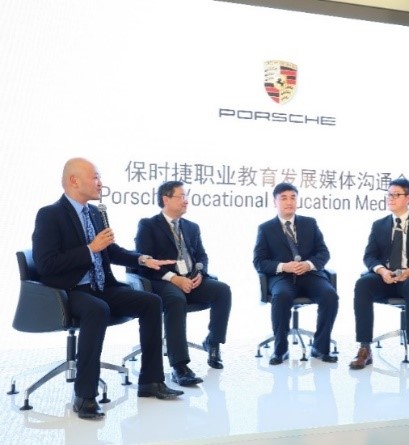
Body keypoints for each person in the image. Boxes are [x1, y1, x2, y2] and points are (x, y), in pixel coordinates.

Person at [31, 158, 183, 420]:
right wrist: (90, 249)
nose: (100, 183)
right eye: (95, 177)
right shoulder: (50, 214)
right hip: (70, 291)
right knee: (97, 309)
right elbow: (46, 264)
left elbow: (110, 251)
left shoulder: (94, 213)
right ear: (74, 181)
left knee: (151, 302)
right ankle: (85, 395)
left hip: (102, 286)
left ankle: (151, 381)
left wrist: (142, 259)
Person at [134, 180, 232, 386]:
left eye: (187, 196)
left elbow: (202, 256)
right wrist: (174, 278)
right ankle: (180, 366)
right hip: (162, 281)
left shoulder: (191, 227)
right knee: (176, 299)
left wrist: (200, 273)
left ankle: (213, 342)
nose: (186, 201)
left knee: (222, 291)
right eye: (182, 196)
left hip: (190, 279)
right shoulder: (148, 225)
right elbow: (145, 263)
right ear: (166, 199)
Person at [350, 177, 409, 374]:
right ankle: (364, 348)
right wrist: (381, 270)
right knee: (362, 284)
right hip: (386, 276)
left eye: (396, 195)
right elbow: (369, 256)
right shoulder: (379, 225)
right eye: (388, 195)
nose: (390, 198)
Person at [253, 182, 339, 365]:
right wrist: (284, 266)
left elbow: (324, 253)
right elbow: (259, 261)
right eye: (283, 198)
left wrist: (308, 264)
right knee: (281, 296)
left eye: (293, 197)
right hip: (282, 277)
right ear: (275, 202)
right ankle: (281, 350)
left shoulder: (310, 223)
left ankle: (320, 347)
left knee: (330, 295)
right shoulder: (265, 228)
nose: (289, 202)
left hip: (310, 275)